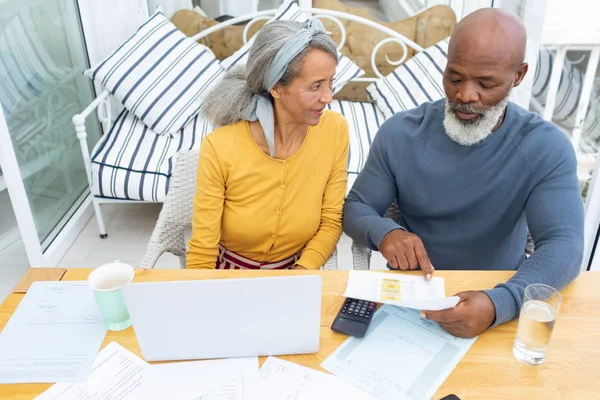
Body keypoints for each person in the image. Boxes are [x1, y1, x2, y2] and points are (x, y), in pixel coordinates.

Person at [343, 8, 584, 338]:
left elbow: (564, 244)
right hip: (413, 298)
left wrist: (501, 302)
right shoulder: (400, 133)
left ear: (518, 75)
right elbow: (356, 207)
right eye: (454, 78)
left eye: (486, 83)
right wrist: (384, 232)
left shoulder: (544, 146)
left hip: (499, 298)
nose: (465, 95)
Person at [187, 20, 349, 270]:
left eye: (330, 83)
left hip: (299, 272)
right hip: (228, 277)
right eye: (316, 86)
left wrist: (302, 271)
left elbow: (331, 221)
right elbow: (203, 247)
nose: (327, 97)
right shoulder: (220, 147)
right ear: (275, 88)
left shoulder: (335, 130)